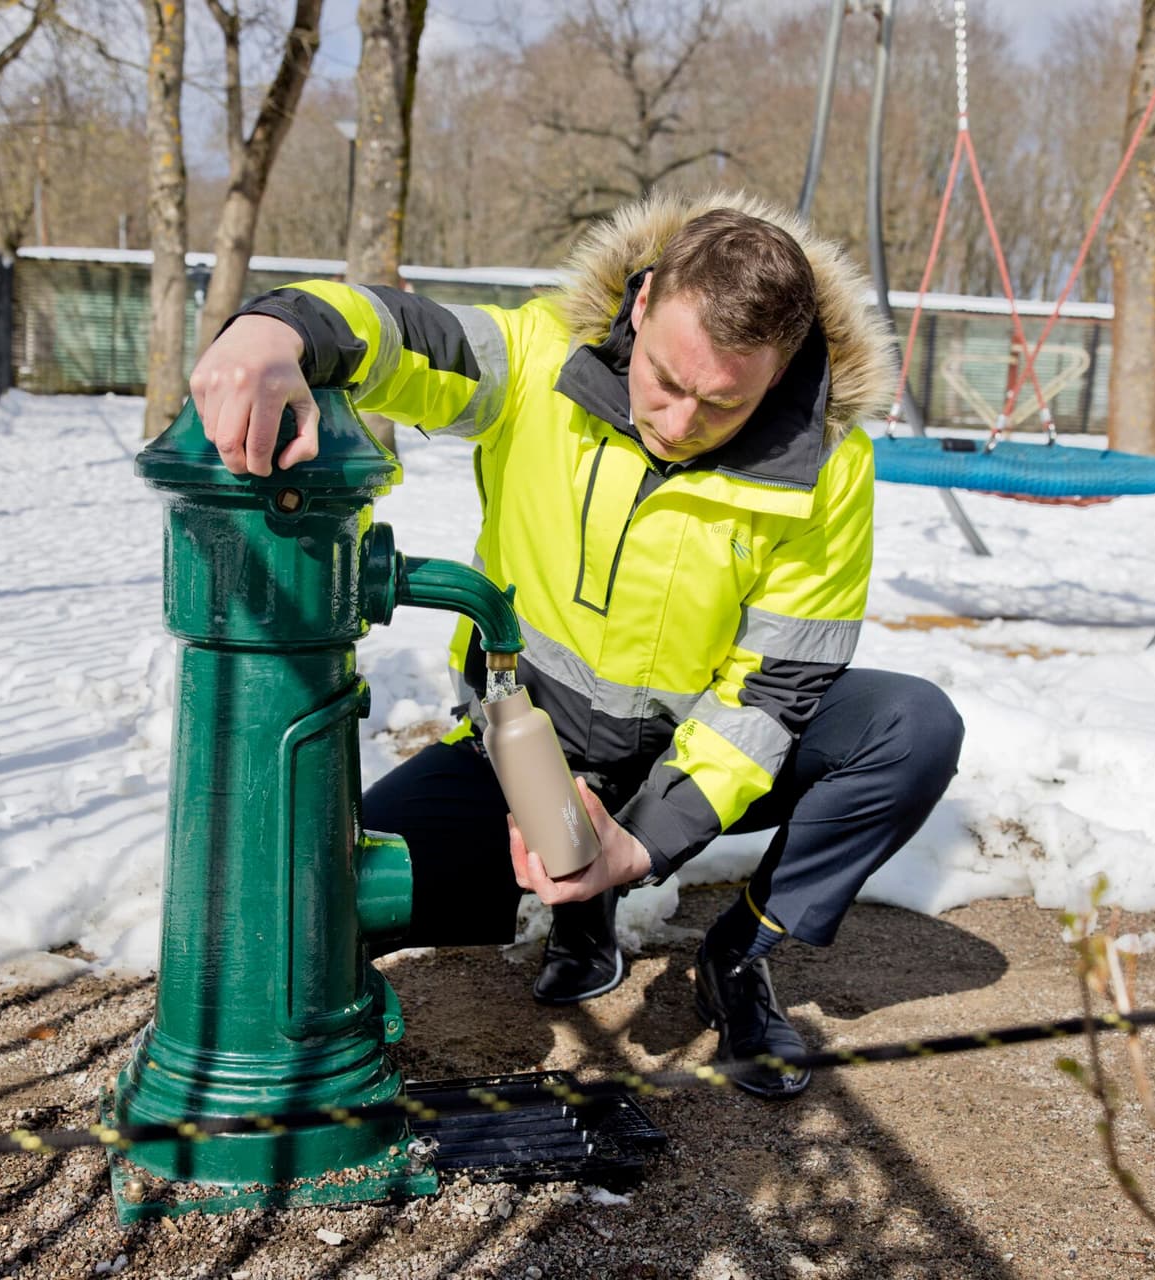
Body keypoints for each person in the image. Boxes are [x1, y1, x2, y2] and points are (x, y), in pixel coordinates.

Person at [187, 191, 964, 1100]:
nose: (678, 423)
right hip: (524, 756)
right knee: (317, 899)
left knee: (912, 727)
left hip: (687, 763)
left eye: (723, 403)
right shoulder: (537, 359)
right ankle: (578, 910)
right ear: (643, 303)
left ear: (781, 368)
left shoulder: (829, 466)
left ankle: (739, 953)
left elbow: (772, 691)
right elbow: (398, 333)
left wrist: (641, 842)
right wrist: (275, 328)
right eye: (665, 380)